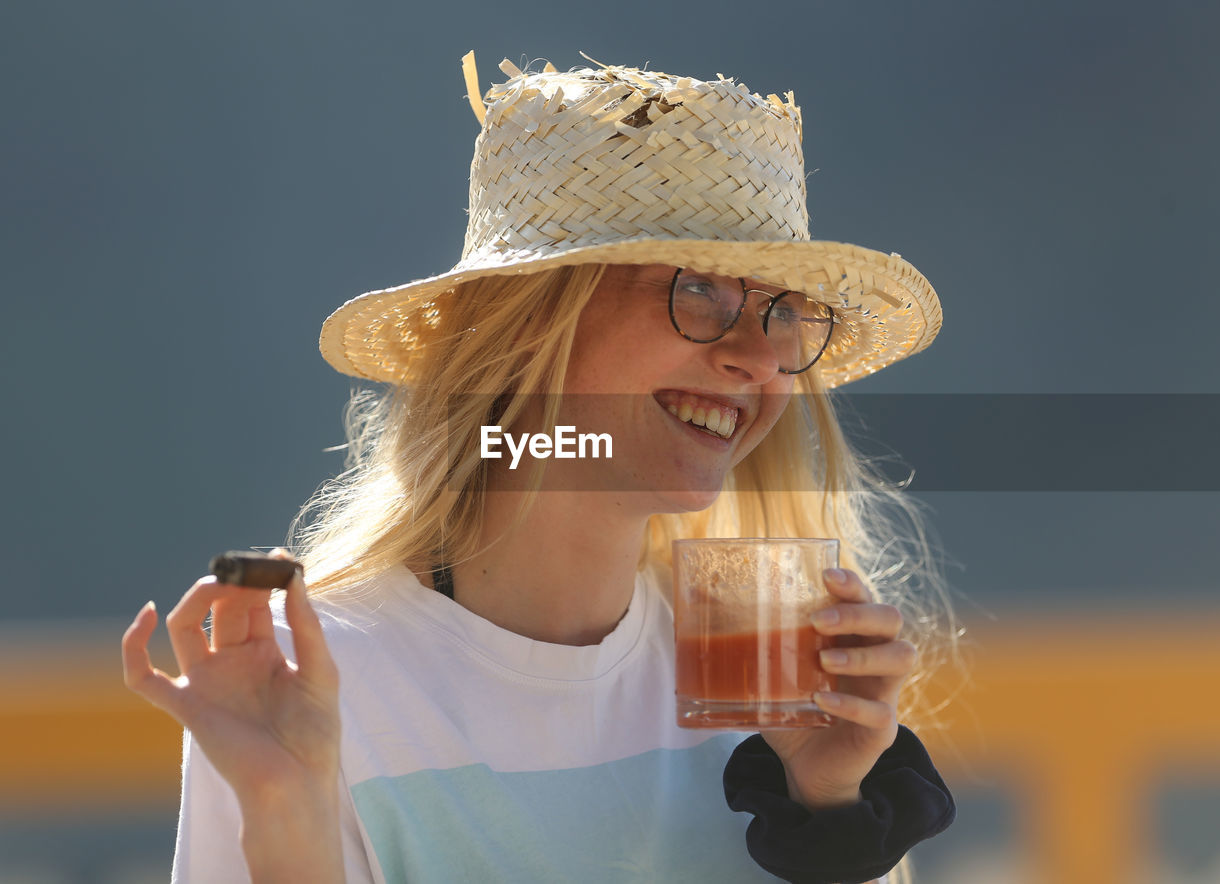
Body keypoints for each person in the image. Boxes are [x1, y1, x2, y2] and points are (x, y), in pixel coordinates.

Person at [122, 52, 958, 883]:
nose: (757, 359)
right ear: (529, 322)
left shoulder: (771, 681)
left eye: (782, 312)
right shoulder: (310, 686)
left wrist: (830, 809)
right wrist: (283, 818)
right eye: (699, 289)